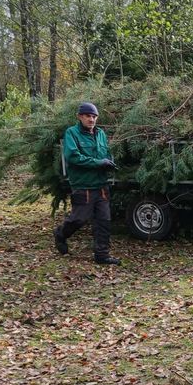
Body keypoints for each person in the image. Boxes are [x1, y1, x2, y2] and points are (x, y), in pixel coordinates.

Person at [53, 102, 121, 265]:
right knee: (79, 219)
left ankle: (102, 255)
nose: (91, 119)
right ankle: (61, 234)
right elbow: (73, 157)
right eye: (88, 116)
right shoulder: (72, 133)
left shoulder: (100, 134)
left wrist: (109, 162)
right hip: (84, 186)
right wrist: (98, 163)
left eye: (94, 116)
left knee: (104, 221)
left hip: (101, 186)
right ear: (80, 117)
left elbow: (106, 153)